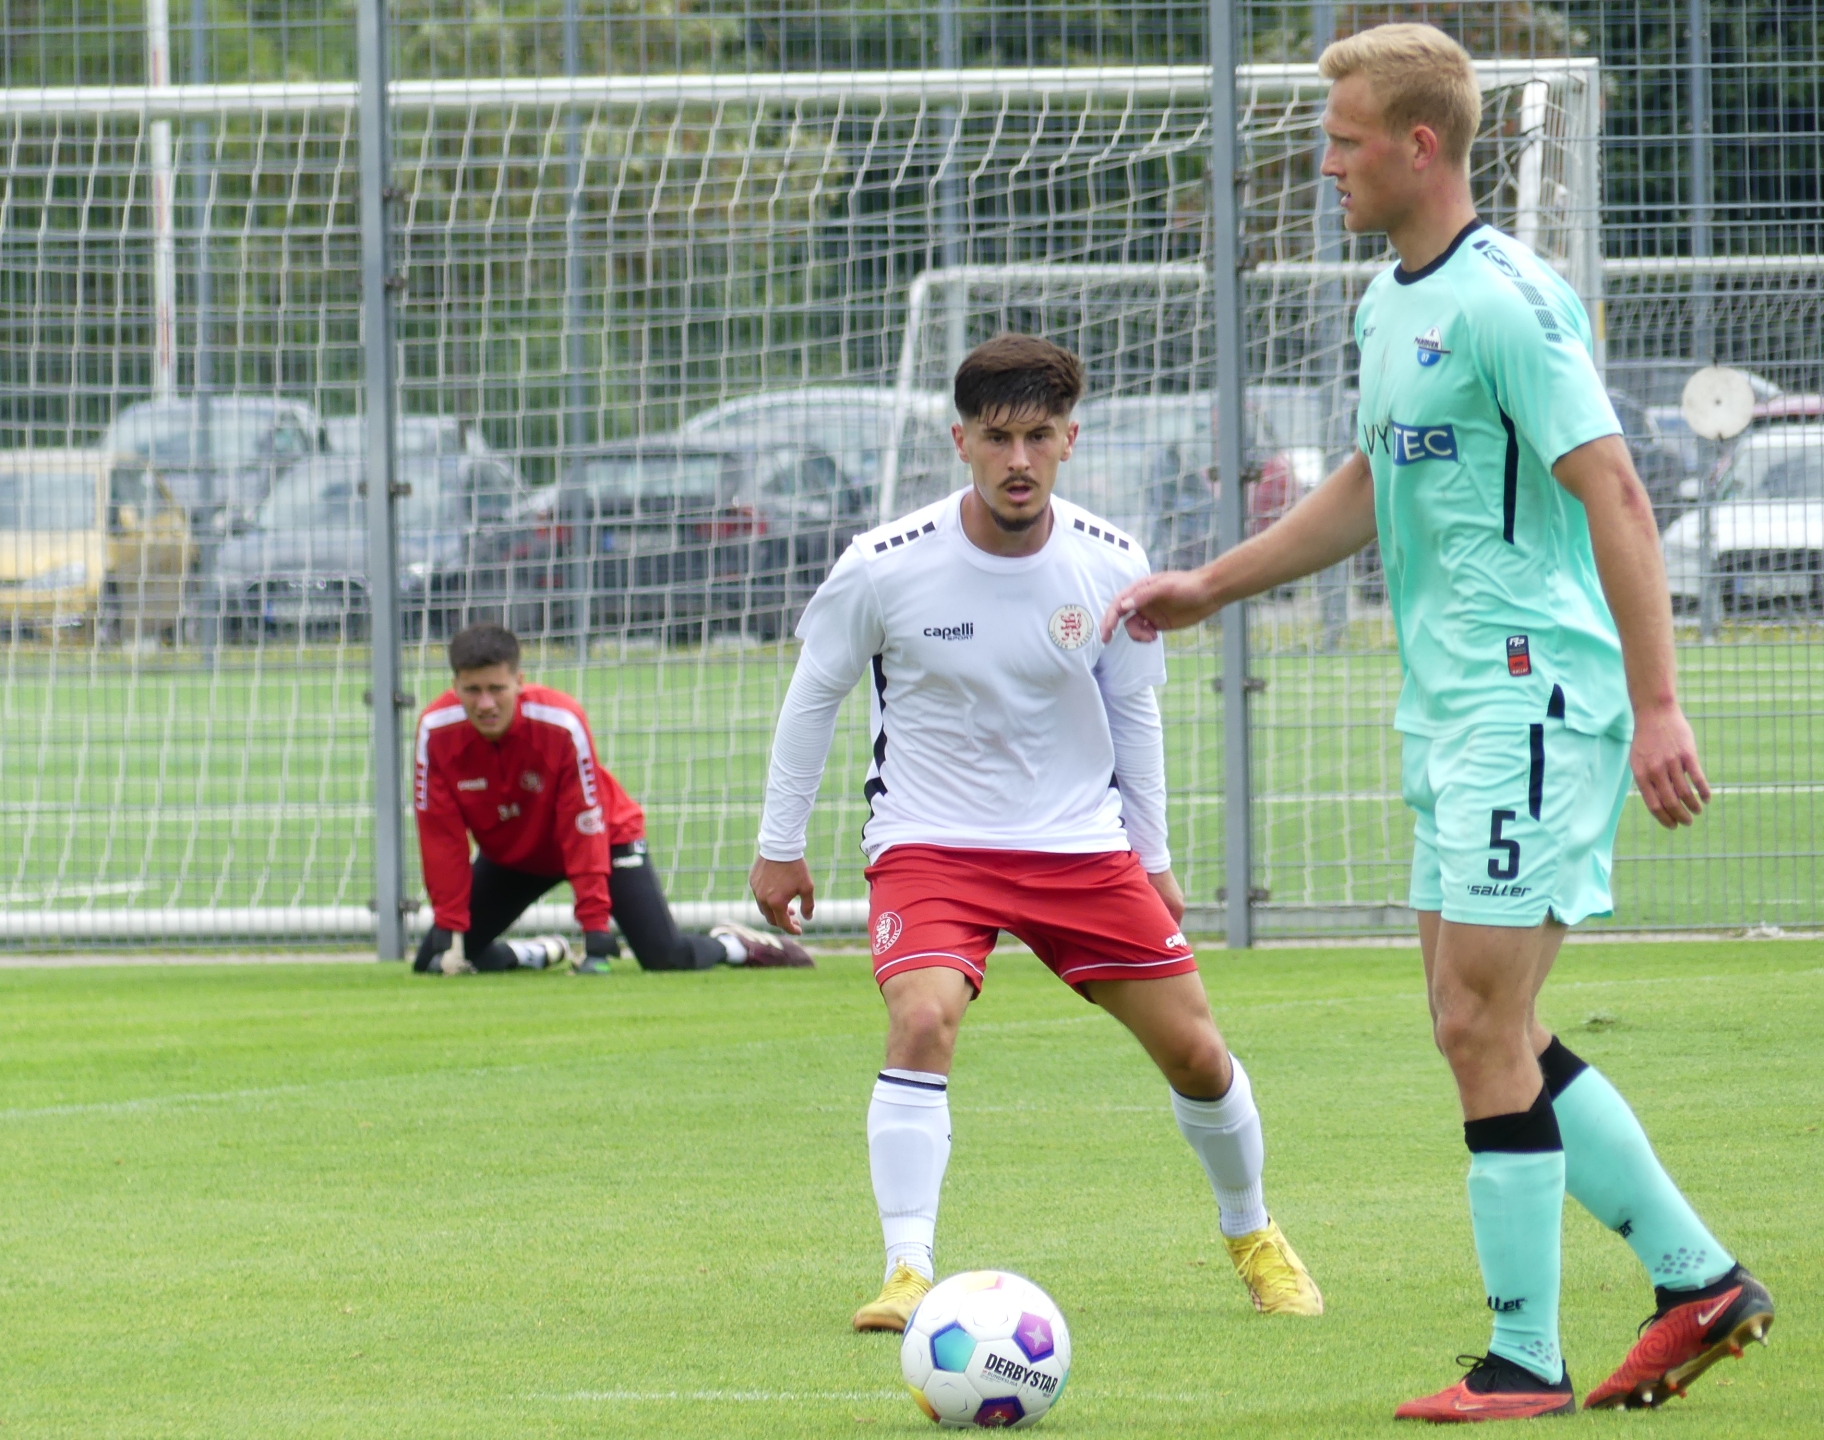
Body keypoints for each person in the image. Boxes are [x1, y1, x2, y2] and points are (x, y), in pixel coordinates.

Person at [1103, 23, 1772, 1422]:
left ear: (1419, 146)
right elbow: (1369, 477)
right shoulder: (1387, 302)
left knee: (1479, 1020)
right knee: (1479, 1023)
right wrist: (1211, 587)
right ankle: (1697, 1280)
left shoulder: (1505, 304)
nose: (1325, 165)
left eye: (1343, 141)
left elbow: (1616, 492)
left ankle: (1528, 1355)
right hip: (1455, 708)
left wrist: (1658, 705)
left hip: (1532, 697)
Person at [750, 334, 1323, 1333]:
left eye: (1039, 437)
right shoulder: (884, 565)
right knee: (922, 1020)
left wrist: (1153, 858)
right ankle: (907, 1271)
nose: (1018, 460)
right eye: (997, 437)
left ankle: (1255, 1236)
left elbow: (1134, 711)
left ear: (1070, 440)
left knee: (1197, 1053)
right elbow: (814, 696)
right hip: (931, 843)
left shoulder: (1110, 562)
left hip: (1078, 847)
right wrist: (778, 842)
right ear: (961, 442)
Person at [414, 623, 813, 976]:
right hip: (516, 857)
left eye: (496, 689)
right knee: (435, 957)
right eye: (473, 690)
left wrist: (595, 929)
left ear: (518, 681)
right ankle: (536, 953)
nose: (485, 704)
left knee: (663, 957)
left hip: (605, 841)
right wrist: (449, 926)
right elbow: (440, 841)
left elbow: (583, 823)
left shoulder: (561, 723)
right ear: (455, 686)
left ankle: (735, 945)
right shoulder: (435, 731)